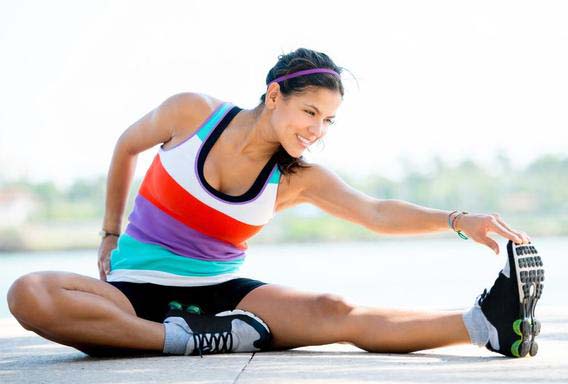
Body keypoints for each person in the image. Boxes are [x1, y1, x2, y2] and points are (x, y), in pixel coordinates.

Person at [7, 47, 541, 358]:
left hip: (222, 298)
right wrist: (108, 232)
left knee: (335, 311)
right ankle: (182, 341)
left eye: (327, 120)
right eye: (308, 112)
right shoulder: (191, 114)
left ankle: (484, 325)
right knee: (30, 292)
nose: (317, 129)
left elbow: (376, 212)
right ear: (274, 95)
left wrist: (457, 220)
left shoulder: (297, 178)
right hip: (132, 292)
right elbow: (127, 145)